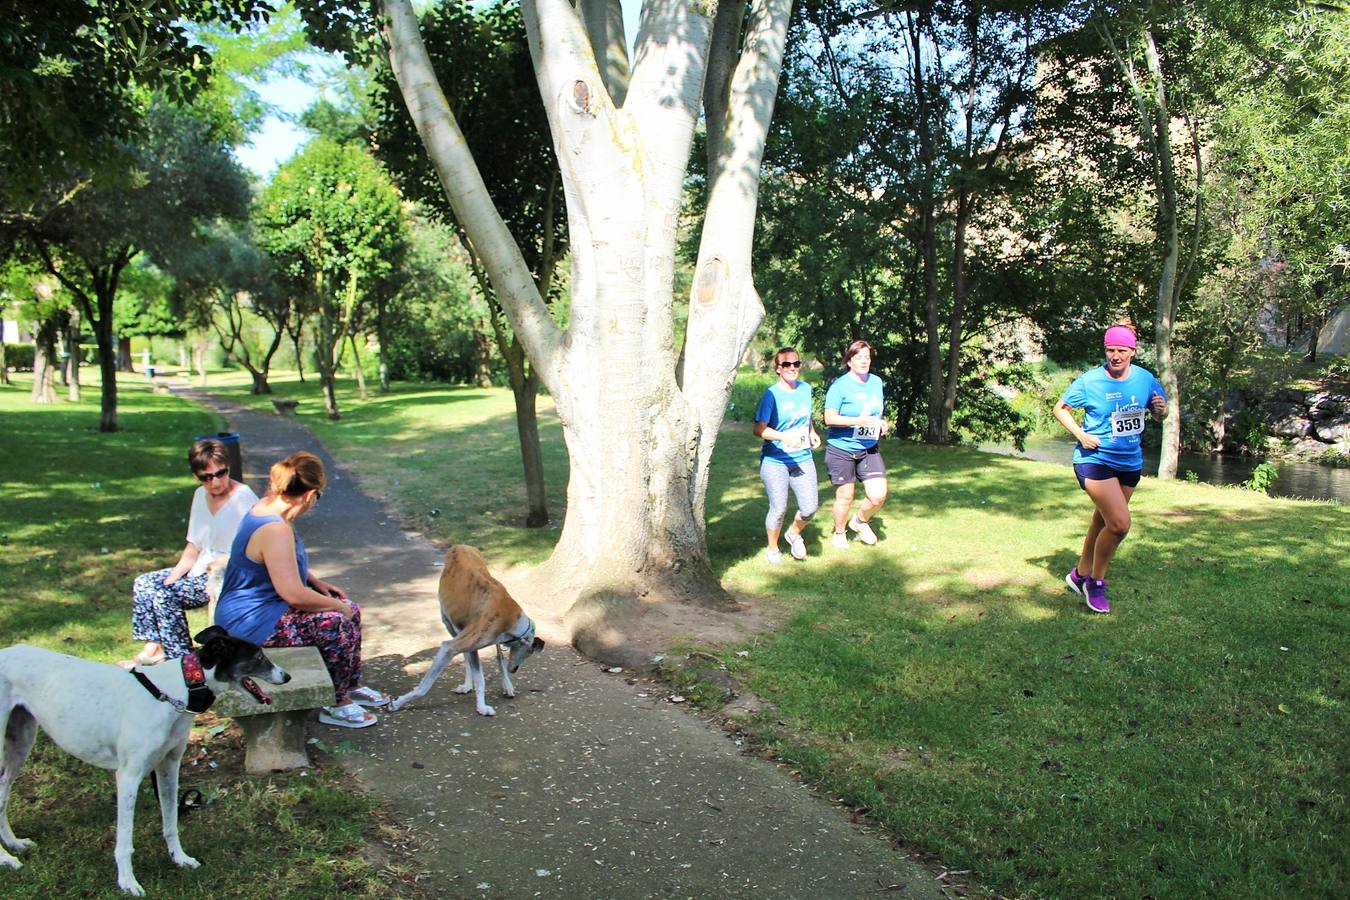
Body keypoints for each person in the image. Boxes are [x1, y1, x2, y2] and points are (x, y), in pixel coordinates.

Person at [215, 451, 388, 728]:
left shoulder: (271, 508)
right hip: (248, 621)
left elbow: (280, 560)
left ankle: (347, 685)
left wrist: (315, 581)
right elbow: (293, 594)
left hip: (266, 608)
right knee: (335, 622)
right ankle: (335, 702)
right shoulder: (274, 528)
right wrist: (333, 606)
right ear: (309, 495)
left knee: (349, 608)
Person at [1054, 318, 1168, 614]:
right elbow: (1060, 408)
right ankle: (1096, 582)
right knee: (1119, 524)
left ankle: (1078, 575)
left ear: (1133, 351)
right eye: (1110, 350)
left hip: (1129, 460)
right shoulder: (1091, 381)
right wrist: (1081, 434)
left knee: (1102, 521)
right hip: (1095, 459)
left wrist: (1161, 411)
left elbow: (1160, 412)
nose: (1115, 356)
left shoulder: (1144, 378)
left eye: (1121, 350)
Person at [125, 439, 258, 667]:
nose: (215, 481)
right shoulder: (199, 496)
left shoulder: (244, 498)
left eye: (220, 473)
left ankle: (184, 661)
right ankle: (155, 647)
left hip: (225, 575)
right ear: (197, 476)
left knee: (164, 597)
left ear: (228, 467)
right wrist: (173, 576)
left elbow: (254, 547)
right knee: (145, 583)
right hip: (199, 568)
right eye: (206, 477)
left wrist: (217, 570)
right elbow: (193, 547)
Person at [753, 347, 821, 563]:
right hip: (775, 460)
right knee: (779, 507)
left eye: (796, 364)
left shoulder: (806, 389)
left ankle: (793, 534)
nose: (792, 368)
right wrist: (783, 437)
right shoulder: (771, 395)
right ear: (777, 369)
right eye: (786, 364)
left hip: (802, 457)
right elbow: (759, 429)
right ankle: (772, 549)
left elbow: (806, 417)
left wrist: (812, 432)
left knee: (810, 508)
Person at [823, 340, 889, 548]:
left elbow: (875, 412)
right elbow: (829, 419)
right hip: (842, 448)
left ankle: (859, 521)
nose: (863, 362)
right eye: (858, 358)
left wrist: (881, 424)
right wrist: (855, 421)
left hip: (868, 448)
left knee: (878, 495)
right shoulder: (840, 386)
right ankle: (840, 532)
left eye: (867, 358)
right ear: (849, 361)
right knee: (846, 495)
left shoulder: (876, 382)